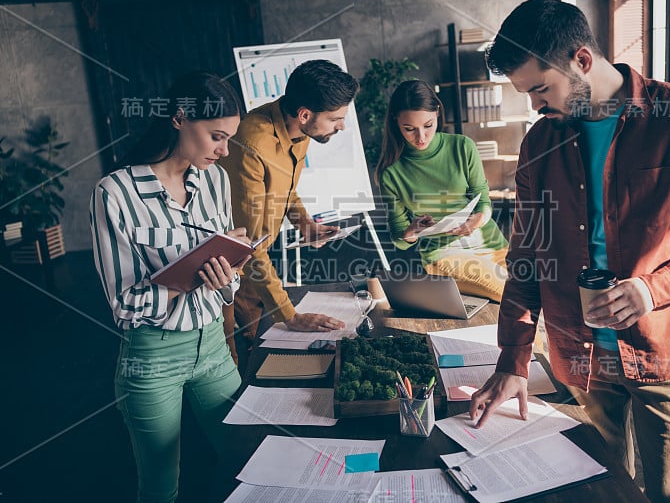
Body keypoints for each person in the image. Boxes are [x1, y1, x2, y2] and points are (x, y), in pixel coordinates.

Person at [468, 0, 670, 503]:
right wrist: (512, 358)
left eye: (541, 88)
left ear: (582, 61)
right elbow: (526, 256)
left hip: (664, 348)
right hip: (577, 354)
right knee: (598, 490)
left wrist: (651, 290)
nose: (535, 106)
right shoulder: (541, 142)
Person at [90, 71, 247, 502]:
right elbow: (123, 305)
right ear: (179, 119)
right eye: (216, 136)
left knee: (245, 461)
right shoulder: (115, 192)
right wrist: (193, 277)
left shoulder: (215, 180)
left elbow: (226, 283)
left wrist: (229, 274)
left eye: (229, 138)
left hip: (214, 349)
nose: (224, 150)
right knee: (161, 485)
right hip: (152, 358)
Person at [219, 59, 359, 363]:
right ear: (306, 114)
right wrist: (290, 315)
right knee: (235, 361)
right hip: (231, 266)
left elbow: (285, 189)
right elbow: (249, 245)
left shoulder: (301, 130)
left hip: (261, 261)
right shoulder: (253, 144)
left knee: (265, 347)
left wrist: (304, 223)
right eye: (335, 118)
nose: (341, 126)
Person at [376, 79, 508, 301]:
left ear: (437, 113)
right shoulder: (391, 173)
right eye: (409, 129)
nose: (421, 137)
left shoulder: (462, 147)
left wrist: (477, 220)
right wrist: (411, 231)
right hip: (444, 254)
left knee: (534, 298)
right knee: (512, 296)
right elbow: (399, 236)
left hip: (492, 244)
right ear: (395, 122)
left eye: (427, 126)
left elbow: (484, 201)